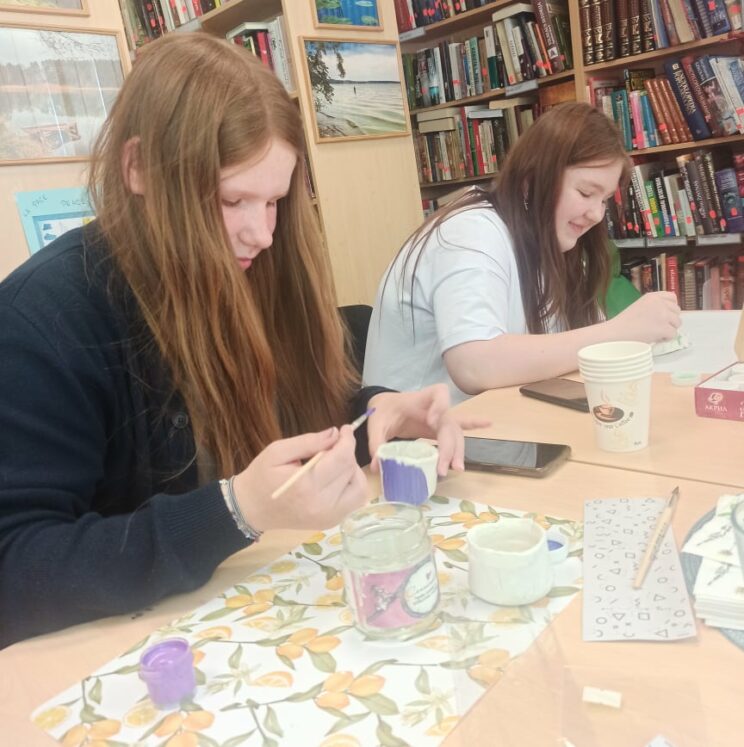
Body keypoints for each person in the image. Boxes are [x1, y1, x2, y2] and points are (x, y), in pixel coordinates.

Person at [0, 34, 473, 648]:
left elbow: (294, 421)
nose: (262, 234)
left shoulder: (254, 269)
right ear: (138, 168)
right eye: (232, 199)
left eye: (275, 200)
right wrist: (235, 511)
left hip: (251, 612)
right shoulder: (44, 320)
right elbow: (17, 569)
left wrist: (379, 412)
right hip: (124, 652)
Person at [363, 102, 681, 404]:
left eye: (604, 199)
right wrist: (618, 333)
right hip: (420, 436)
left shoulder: (552, 238)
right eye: (586, 193)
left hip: (492, 423)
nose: (597, 214)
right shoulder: (470, 232)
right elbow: (473, 365)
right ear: (532, 180)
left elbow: (568, 345)